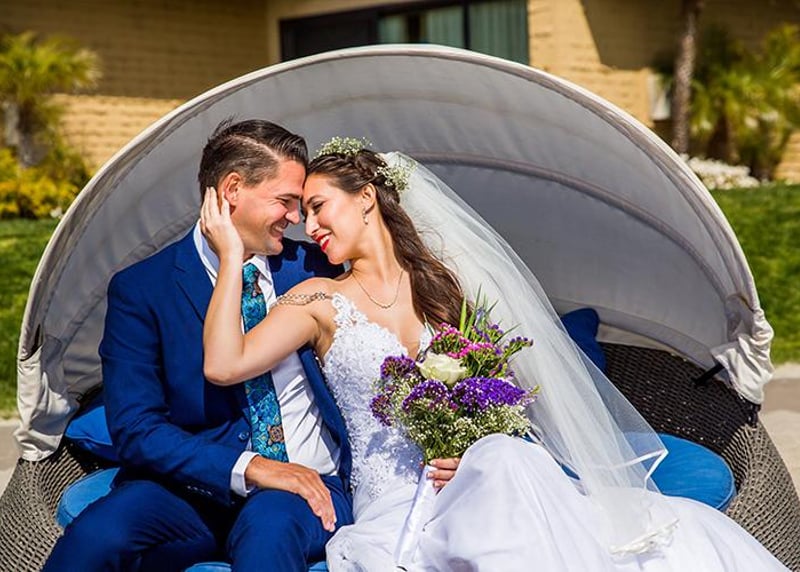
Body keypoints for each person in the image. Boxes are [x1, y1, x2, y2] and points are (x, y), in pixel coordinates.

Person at [200, 140, 788, 570]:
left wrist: (472, 451)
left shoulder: (446, 287)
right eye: (301, 212)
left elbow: (503, 397)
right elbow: (224, 365)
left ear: (368, 198)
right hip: (397, 499)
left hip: (476, 477)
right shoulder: (318, 300)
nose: (308, 226)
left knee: (507, 458)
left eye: (318, 206)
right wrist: (230, 257)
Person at [43, 120, 354, 572]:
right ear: (232, 190)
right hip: (195, 492)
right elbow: (136, 428)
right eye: (285, 201)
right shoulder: (142, 288)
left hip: (308, 488)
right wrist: (248, 467)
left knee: (268, 530)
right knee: (99, 534)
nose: (297, 219)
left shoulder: (316, 268)